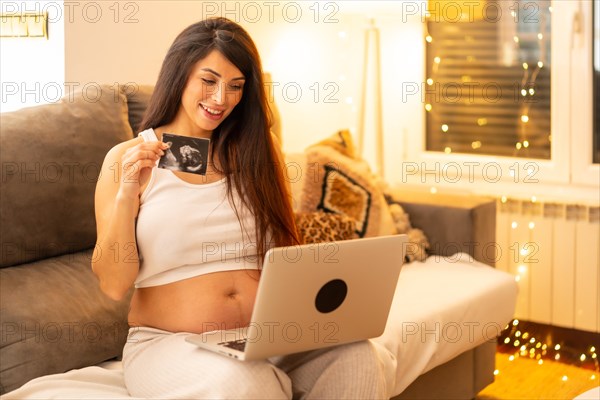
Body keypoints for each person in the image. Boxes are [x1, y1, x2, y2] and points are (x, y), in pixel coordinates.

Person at [92, 17, 387, 399]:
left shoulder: (259, 152)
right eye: (209, 80)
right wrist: (125, 196)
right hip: (171, 344)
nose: (221, 99)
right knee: (244, 382)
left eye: (235, 87)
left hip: (263, 339)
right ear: (180, 73)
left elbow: (286, 253)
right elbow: (114, 285)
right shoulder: (129, 158)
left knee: (358, 356)